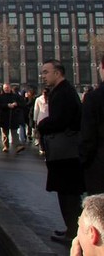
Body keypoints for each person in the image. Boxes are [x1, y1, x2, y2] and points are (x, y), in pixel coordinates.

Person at [37, 59, 85, 244]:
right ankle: (71, 230)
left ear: (58, 73)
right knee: (65, 193)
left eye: (46, 72)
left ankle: (74, 233)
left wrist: (43, 124)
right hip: (63, 150)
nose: (43, 76)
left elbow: (60, 120)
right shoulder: (60, 91)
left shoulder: (64, 92)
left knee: (68, 194)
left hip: (66, 151)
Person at [81, 55, 104, 195]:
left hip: (99, 165)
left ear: (102, 67)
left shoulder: (94, 98)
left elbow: (88, 136)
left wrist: (84, 161)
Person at [0, 83, 26, 153]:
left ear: (10, 88)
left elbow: (23, 104)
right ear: (3, 89)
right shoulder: (1, 97)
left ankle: (17, 146)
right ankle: (6, 146)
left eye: (7, 88)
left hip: (14, 117)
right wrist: (7, 105)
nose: (6, 89)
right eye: (5, 88)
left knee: (14, 132)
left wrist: (16, 104)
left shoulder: (16, 96)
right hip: (4, 117)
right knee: (5, 133)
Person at [35, 87, 51, 156]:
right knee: (41, 135)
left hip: (49, 118)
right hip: (41, 118)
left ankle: (47, 147)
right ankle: (42, 148)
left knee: (48, 134)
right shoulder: (38, 99)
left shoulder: (51, 98)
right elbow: (36, 109)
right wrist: (35, 119)